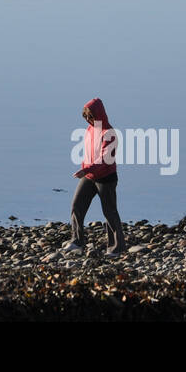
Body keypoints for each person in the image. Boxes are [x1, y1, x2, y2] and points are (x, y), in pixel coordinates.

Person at [62, 97, 126, 257]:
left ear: (99, 114)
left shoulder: (110, 133)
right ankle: (77, 241)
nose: (89, 120)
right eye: (86, 117)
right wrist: (85, 168)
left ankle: (117, 248)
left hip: (106, 178)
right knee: (77, 206)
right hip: (89, 176)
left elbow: (105, 160)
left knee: (109, 212)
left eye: (91, 117)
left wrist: (86, 169)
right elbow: (89, 152)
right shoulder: (89, 130)